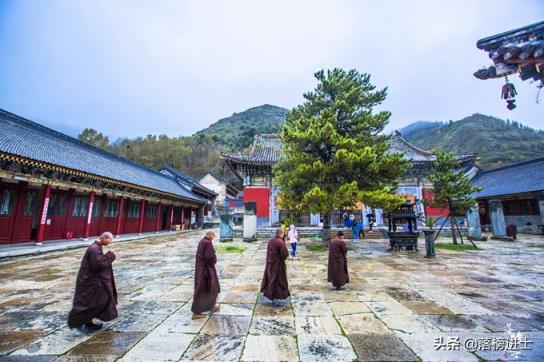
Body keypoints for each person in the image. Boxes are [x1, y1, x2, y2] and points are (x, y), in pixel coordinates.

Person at [68, 232, 118, 331]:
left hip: (90, 280)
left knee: (91, 301)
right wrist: (110, 255)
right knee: (92, 302)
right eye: (109, 240)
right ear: (104, 238)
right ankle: (79, 321)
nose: (109, 242)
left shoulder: (96, 247)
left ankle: (87, 323)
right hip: (89, 281)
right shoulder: (94, 248)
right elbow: (98, 265)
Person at [191, 230, 220, 319]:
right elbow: (209, 257)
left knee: (211, 288)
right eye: (213, 235)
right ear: (209, 234)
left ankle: (212, 305)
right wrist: (213, 261)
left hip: (201, 269)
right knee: (205, 289)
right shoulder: (207, 243)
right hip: (206, 269)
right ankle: (196, 312)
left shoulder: (202, 241)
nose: (213, 237)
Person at [261, 228, 290, 306]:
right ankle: (277, 297)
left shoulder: (270, 241)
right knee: (279, 281)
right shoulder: (280, 242)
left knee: (270, 280)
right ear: (281, 234)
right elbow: (285, 255)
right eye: (283, 233)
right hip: (278, 265)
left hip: (270, 264)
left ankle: (270, 296)